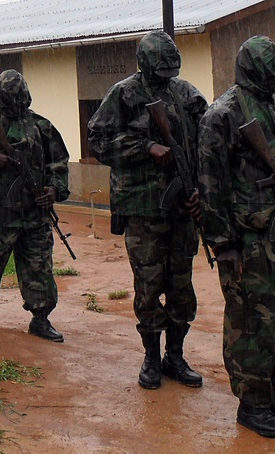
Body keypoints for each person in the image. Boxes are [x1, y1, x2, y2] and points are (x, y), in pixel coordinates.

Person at [196, 35, 275, 438]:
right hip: (247, 241)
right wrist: (222, 243)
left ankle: (269, 393)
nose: (274, 85)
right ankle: (251, 403)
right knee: (252, 323)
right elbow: (210, 185)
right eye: (268, 77)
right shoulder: (222, 116)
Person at [87, 31, 206, 389]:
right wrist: (145, 147)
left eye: (169, 72)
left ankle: (176, 356)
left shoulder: (186, 94)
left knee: (182, 286)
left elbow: (210, 144)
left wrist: (202, 189)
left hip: (182, 211)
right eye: (159, 72)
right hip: (142, 210)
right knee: (149, 286)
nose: (164, 79)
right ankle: (152, 358)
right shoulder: (124, 94)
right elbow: (98, 141)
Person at [0, 69, 69, 342]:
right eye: (13, 99)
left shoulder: (41, 126)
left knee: (39, 267)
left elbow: (59, 163)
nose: (19, 104)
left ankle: (41, 318)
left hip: (34, 214)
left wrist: (52, 190)